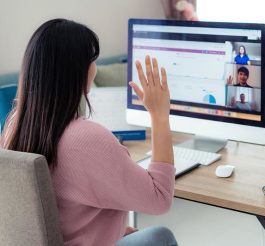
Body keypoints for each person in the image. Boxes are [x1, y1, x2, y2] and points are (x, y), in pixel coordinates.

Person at [0, 19, 178, 246]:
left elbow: (58, 210)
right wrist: (160, 116)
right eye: (91, 60)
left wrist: (114, 229)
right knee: (160, 237)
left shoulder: (14, 125)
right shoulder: (86, 139)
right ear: (78, 71)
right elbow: (160, 198)